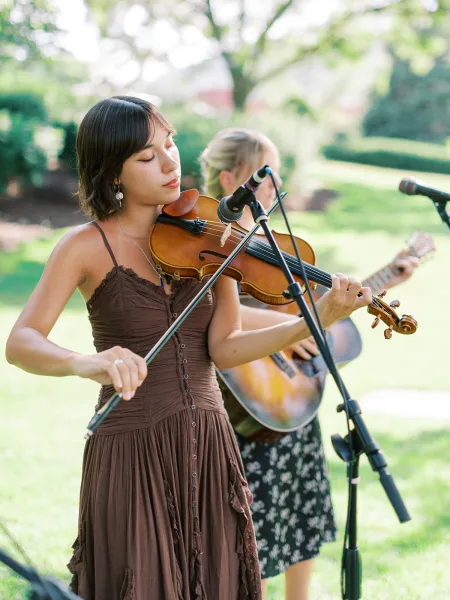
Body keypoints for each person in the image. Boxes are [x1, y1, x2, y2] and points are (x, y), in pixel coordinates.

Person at [5, 97, 372, 600]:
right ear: (112, 171)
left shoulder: (215, 241)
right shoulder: (85, 245)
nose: (170, 161)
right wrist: (85, 362)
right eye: (147, 156)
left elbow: (225, 347)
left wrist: (318, 317)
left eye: (171, 143)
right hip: (132, 448)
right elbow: (21, 342)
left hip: (210, 446)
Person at [200, 127, 418, 600]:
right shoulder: (209, 243)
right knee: (248, 529)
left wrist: (382, 281)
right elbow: (206, 311)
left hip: (290, 402)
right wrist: (292, 329)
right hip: (245, 404)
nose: (277, 188)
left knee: (301, 513)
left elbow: (313, 308)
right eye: (266, 176)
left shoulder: (274, 247)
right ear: (229, 178)